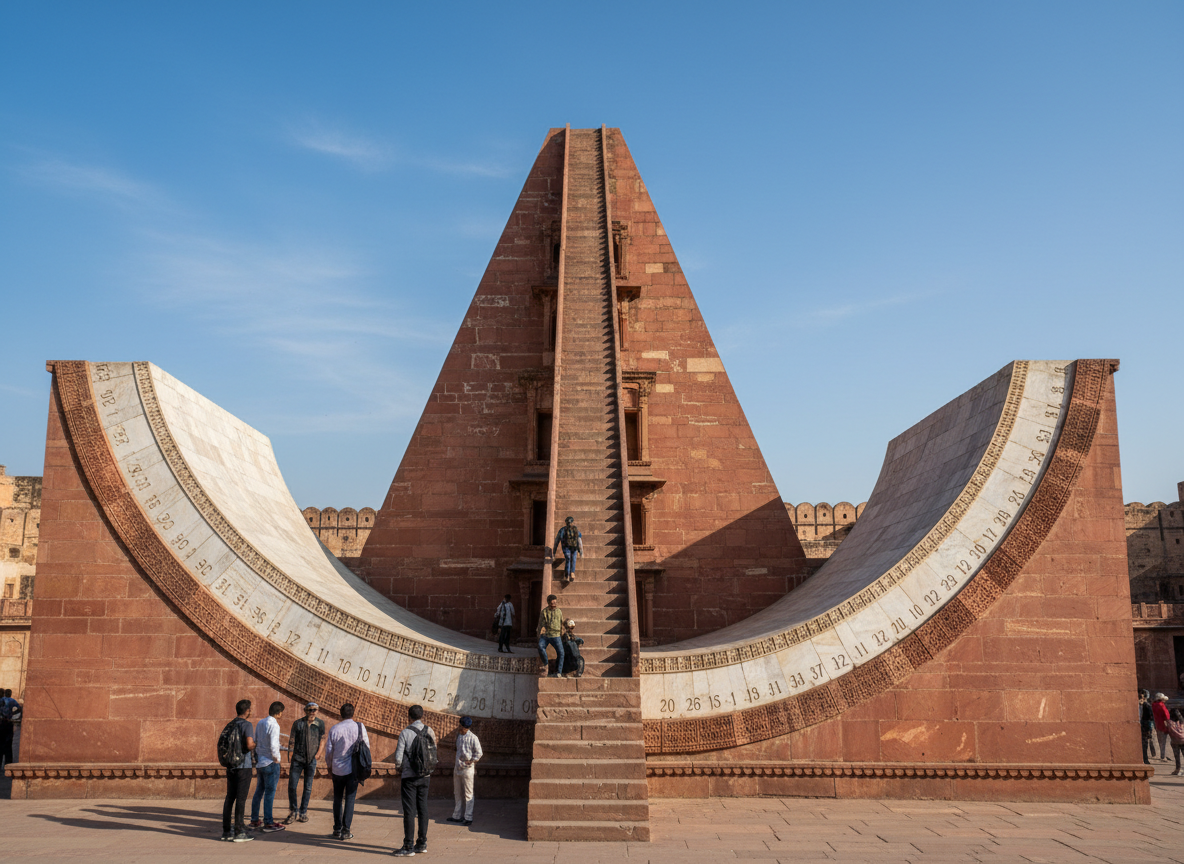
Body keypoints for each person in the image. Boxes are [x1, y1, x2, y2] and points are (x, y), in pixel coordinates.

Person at [393, 704, 437, 856]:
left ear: (409, 716)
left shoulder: (405, 732)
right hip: (425, 776)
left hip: (409, 776)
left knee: (409, 811)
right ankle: (422, 843)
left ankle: (408, 846)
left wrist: (400, 768)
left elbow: (398, 758)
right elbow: (433, 752)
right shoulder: (429, 730)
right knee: (423, 808)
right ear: (422, 715)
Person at [324, 702, 369, 841]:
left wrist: (329, 766)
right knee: (350, 799)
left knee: (337, 799)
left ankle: (337, 829)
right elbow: (366, 747)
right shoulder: (360, 727)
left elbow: (329, 752)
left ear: (340, 714)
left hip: (337, 769)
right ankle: (346, 830)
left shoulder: (335, 729)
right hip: (354, 769)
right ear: (353, 713)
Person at [221, 699, 257, 842]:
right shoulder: (246, 725)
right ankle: (240, 832)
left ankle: (226, 831)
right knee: (241, 799)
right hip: (243, 765)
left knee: (230, 798)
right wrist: (256, 744)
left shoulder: (230, 725)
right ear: (247, 711)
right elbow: (249, 745)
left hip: (231, 765)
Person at [285, 701, 325, 824]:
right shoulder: (298, 723)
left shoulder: (319, 724)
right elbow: (292, 740)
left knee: (307, 787)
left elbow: (322, 739)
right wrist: (290, 755)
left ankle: (303, 812)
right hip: (298, 758)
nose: (312, 712)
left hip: (311, 759)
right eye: (310, 710)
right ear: (305, 711)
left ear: (317, 711)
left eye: (314, 710)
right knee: (292, 786)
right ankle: (293, 811)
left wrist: (318, 753)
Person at [250, 701, 286, 832]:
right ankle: (268, 822)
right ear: (279, 712)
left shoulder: (261, 723)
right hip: (270, 762)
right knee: (269, 793)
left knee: (259, 791)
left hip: (261, 761)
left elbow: (257, 741)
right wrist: (277, 760)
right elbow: (273, 745)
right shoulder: (274, 725)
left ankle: (254, 819)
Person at [446, 716, 483, 826]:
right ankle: (456, 815)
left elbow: (479, 753)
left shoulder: (473, 738)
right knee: (457, 792)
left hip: (467, 769)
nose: (460, 728)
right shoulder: (458, 736)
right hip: (457, 767)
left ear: (464, 727)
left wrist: (471, 761)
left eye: (461, 727)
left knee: (468, 793)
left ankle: (468, 817)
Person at [537, 594, 566, 678]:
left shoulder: (559, 611)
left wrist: (562, 633)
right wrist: (539, 634)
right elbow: (540, 625)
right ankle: (546, 663)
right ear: (549, 603)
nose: (554, 604)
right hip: (546, 635)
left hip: (556, 635)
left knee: (561, 653)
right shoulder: (544, 612)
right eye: (552, 603)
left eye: (555, 603)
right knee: (540, 647)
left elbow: (561, 623)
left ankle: (559, 672)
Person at [552, 516, 583, 583]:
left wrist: (554, 553)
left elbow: (556, 542)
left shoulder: (562, 530)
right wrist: (581, 552)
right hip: (574, 547)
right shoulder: (575, 530)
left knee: (568, 559)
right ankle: (572, 573)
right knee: (573, 559)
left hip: (566, 547)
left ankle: (567, 575)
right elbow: (579, 541)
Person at [1153, 693, 1171, 762]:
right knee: (1163, 741)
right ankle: (1162, 756)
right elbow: (1167, 716)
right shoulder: (1162, 706)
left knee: (1160, 740)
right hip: (1163, 726)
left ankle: (1161, 754)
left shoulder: (1153, 705)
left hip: (1157, 725)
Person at [0, 688, 15, 768]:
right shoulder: (11, 701)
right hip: (7, 723)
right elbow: (19, 709)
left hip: (4, 724)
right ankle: (8, 764)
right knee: (8, 746)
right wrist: (12, 714)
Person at [1139, 689, 1155, 764]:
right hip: (1145, 725)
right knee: (1145, 743)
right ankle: (1145, 758)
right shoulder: (1147, 705)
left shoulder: (1142, 705)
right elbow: (1151, 716)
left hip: (1142, 724)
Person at [1168, 708, 1184, 776]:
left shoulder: (1169, 722)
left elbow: (1166, 730)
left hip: (1174, 741)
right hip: (1183, 740)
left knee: (1177, 756)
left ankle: (1178, 769)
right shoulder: (1182, 721)